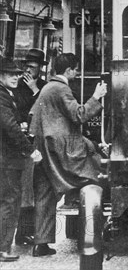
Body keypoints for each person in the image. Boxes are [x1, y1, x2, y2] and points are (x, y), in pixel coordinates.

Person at [29, 53, 107, 257]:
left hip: (44, 149)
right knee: (94, 173)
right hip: (59, 150)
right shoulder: (61, 88)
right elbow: (79, 115)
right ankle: (91, 235)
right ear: (69, 70)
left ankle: (41, 243)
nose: (77, 72)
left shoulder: (46, 88)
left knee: (45, 195)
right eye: (76, 69)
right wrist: (96, 97)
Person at [0, 57, 42, 262]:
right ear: (1, 76)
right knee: (10, 202)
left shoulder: (8, 94)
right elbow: (9, 127)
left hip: (7, 158)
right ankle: (3, 248)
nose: (16, 77)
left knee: (8, 201)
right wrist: (29, 150)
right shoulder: (2, 96)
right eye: (11, 74)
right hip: (7, 159)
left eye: (17, 73)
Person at [13, 49, 47, 246]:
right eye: (26, 66)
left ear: (40, 69)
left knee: (36, 188)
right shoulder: (16, 87)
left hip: (38, 142)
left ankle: (31, 231)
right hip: (22, 141)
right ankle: (22, 233)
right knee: (25, 189)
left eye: (32, 67)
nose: (27, 70)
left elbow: (45, 109)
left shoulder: (43, 87)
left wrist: (35, 90)